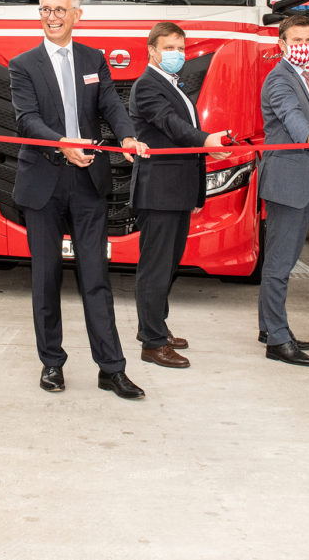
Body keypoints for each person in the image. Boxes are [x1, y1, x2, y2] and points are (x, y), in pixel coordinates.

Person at [8, 0, 149, 399]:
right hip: (43, 183)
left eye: (59, 10)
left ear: (76, 15)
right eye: (45, 9)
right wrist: (62, 143)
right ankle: (52, 364)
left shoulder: (94, 59)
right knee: (46, 277)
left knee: (96, 278)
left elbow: (110, 105)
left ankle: (111, 368)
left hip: (88, 181)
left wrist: (126, 137)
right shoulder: (23, 65)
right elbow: (26, 119)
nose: (51, 17)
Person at [128, 22, 229, 368]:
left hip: (177, 191)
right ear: (152, 51)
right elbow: (170, 124)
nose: (177, 54)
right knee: (155, 268)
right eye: (169, 47)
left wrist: (206, 143)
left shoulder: (172, 83)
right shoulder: (147, 86)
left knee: (168, 266)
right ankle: (152, 343)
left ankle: (158, 326)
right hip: (159, 192)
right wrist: (205, 141)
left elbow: (180, 130)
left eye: (181, 48)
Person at [257, 14, 309, 367]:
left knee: (287, 260)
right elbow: (294, 118)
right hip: (287, 183)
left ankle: (270, 327)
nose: (303, 47)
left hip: (308, 180)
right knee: (279, 263)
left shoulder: (306, 78)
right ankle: (277, 340)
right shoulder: (279, 80)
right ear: (282, 44)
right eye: (296, 40)